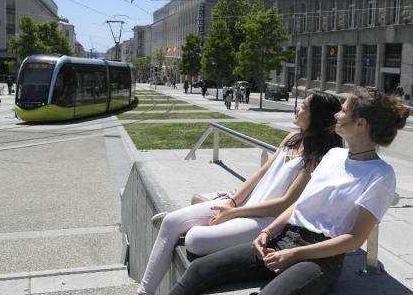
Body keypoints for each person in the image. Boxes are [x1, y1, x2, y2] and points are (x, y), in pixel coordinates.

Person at [170, 90, 409, 295]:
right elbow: (301, 203)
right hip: (283, 238)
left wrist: (295, 254)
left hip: (321, 257)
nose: (337, 114)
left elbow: (355, 239)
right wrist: (267, 231)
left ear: (361, 124)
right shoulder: (333, 156)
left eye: (343, 111)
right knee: (199, 269)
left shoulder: (381, 175)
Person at [137, 92, 344, 295]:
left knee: (193, 240)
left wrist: (234, 213)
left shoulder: (318, 156)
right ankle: (143, 292)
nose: (297, 108)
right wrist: (233, 203)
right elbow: (262, 172)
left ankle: (189, 227)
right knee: (171, 221)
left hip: (264, 221)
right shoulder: (292, 138)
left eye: (304, 107)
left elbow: (285, 203)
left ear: (316, 117)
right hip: (247, 205)